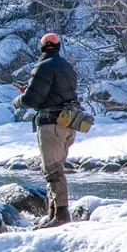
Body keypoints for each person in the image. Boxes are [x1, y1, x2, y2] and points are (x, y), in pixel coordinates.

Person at [12, 33, 78, 229]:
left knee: (52, 170)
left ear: (42, 47)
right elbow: (55, 93)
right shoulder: (67, 67)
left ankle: (62, 215)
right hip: (68, 124)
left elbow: (32, 99)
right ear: (58, 47)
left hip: (51, 124)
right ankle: (53, 212)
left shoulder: (43, 66)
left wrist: (19, 100)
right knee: (55, 166)